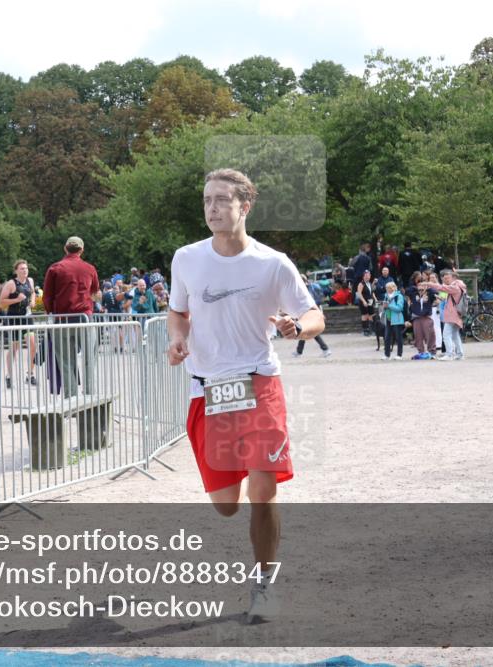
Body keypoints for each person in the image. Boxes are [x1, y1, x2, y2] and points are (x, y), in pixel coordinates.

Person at [167, 168, 324, 623]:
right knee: (226, 504)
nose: (212, 209)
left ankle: (264, 585)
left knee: (263, 486)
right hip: (209, 390)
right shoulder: (186, 259)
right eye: (206, 201)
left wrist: (301, 328)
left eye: (221, 200)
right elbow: (178, 312)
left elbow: (313, 313)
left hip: (258, 383)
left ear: (244, 207)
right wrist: (177, 339)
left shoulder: (272, 263)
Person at [43, 236, 100, 397]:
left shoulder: (55, 268)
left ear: (65, 248)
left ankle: (72, 397)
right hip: (85, 318)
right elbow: (95, 291)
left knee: (66, 361)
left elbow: (47, 296)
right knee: (90, 358)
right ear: (81, 250)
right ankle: (89, 394)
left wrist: (51, 313)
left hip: (62, 319)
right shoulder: (90, 268)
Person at [0, 259, 38, 387]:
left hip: (27, 317)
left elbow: (32, 293)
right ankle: (9, 376)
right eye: (22, 268)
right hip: (14, 318)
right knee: (14, 349)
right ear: (16, 271)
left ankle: (30, 374)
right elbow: (1, 302)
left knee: (33, 345)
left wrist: (33, 301)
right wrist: (16, 299)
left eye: (26, 268)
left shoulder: (30, 281)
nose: (25, 270)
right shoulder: (11, 284)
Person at [422, 270, 466, 361]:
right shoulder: (459, 286)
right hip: (455, 314)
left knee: (446, 335)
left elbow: (441, 287)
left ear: (453, 278)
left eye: (447, 278)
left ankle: (450, 354)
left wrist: (428, 283)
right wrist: (442, 299)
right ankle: (460, 354)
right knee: (455, 335)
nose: (445, 280)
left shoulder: (455, 287)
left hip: (452, 314)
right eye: (444, 278)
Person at [294, 275, 331, 358]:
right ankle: (299, 351)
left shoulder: (304, 290)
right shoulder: (308, 288)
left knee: (310, 332)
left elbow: (310, 303)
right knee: (305, 331)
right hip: (309, 312)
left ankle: (325, 349)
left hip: (309, 312)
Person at [407, 273, 436, 360]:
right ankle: (421, 352)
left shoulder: (430, 293)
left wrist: (429, 288)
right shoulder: (413, 293)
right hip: (416, 318)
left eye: (423, 285)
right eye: (419, 285)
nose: (421, 287)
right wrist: (416, 287)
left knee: (430, 335)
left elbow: (442, 295)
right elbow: (407, 290)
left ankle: (432, 352)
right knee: (418, 336)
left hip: (426, 317)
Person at [381, 281, 405, 360]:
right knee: (387, 337)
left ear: (394, 288)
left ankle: (399, 354)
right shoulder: (386, 296)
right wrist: (384, 307)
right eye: (387, 288)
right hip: (388, 319)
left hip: (397, 320)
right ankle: (387, 355)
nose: (387, 289)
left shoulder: (399, 296)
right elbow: (385, 308)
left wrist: (389, 306)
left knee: (398, 337)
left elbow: (399, 308)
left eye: (389, 288)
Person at [355, 270, 376, 337]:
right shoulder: (361, 284)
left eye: (368, 275)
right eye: (366, 275)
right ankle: (365, 330)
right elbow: (359, 293)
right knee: (365, 315)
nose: (367, 277)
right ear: (363, 276)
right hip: (364, 301)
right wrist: (363, 301)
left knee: (371, 314)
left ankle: (372, 329)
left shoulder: (369, 283)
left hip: (370, 300)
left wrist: (375, 299)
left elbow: (371, 292)